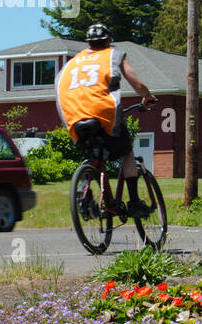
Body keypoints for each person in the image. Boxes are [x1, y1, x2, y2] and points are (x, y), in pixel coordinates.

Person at [55, 23, 158, 218]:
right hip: (103, 113)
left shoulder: (72, 62)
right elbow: (137, 84)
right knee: (127, 152)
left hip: (74, 116)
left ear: (87, 43)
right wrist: (147, 96)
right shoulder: (114, 54)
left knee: (96, 156)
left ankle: (88, 188)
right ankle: (134, 203)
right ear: (109, 41)